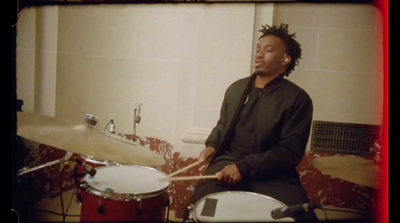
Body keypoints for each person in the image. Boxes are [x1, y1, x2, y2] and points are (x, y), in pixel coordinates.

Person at [182, 23, 318, 222]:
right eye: (258, 49)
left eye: (269, 50)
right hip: (227, 164)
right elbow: (222, 125)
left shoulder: (298, 99)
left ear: (285, 59)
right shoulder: (236, 89)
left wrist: (245, 167)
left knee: (301, 216)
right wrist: (212, 145)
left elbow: (289, 151)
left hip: (275, 175)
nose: (259, 54)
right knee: (201, 209)